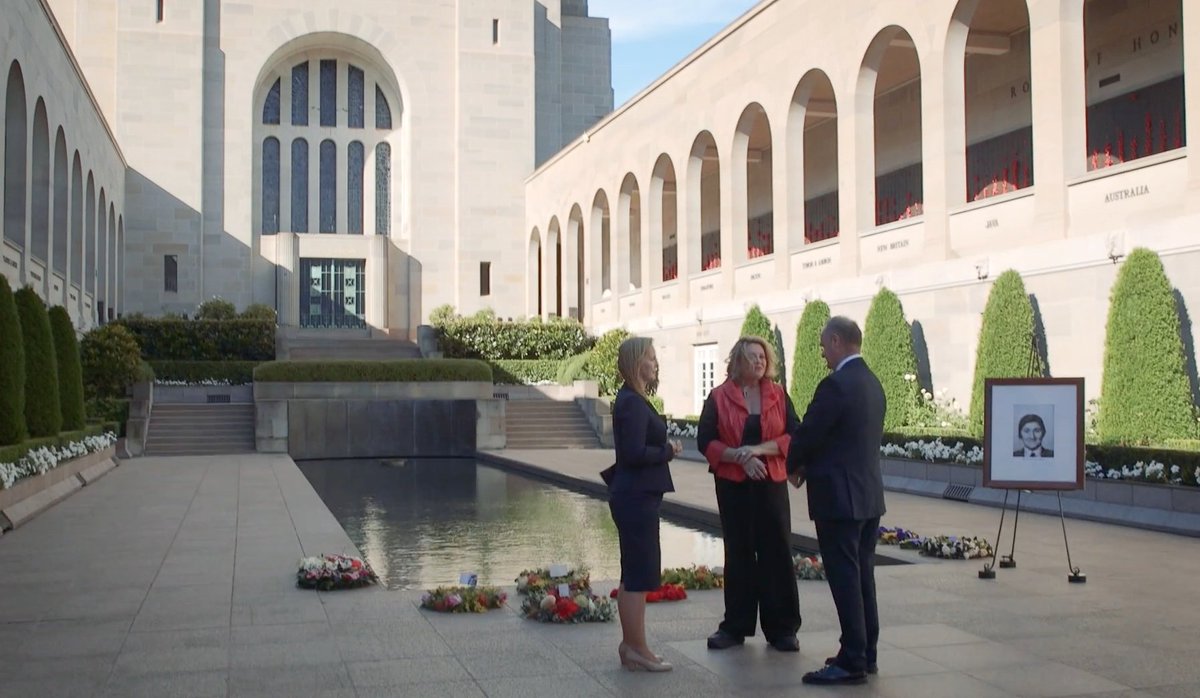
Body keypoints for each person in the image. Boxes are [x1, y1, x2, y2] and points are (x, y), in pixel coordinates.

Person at [786, 317, 886, 686]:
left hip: (839, 500)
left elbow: (811, 433)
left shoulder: (836, 385)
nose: (823, 353)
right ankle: (864, 652)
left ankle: (852, 661)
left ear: (837, 340)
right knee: (863, 577)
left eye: (824, 345)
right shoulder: (873, 383)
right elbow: (846, 439)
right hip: (868, 497)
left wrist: (794, 465)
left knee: (845, 579)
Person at [698, 336, 802, 653]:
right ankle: (735, 627)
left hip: (771, 483)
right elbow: (706, 441)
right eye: (752, 357)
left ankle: (783, 629)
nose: (758, 362)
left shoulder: (779, 395)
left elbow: (794, 435)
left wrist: (757, 451)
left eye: (762, 356)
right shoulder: (718, 397)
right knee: (739, 552)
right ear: (738, 361)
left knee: (777, 552)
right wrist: (741, 457)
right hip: (734, 484)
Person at [608, 336, 682, 672]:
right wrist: (668, 451)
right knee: (637, 575)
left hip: (634, 495)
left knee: (633, 574)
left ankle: (632, 647)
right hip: (636, 497)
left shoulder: (631, 400)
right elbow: (633, 454)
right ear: (637, 362)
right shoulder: (632, 403)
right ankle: (638, 649)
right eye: (651, 358)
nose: (655, 363)